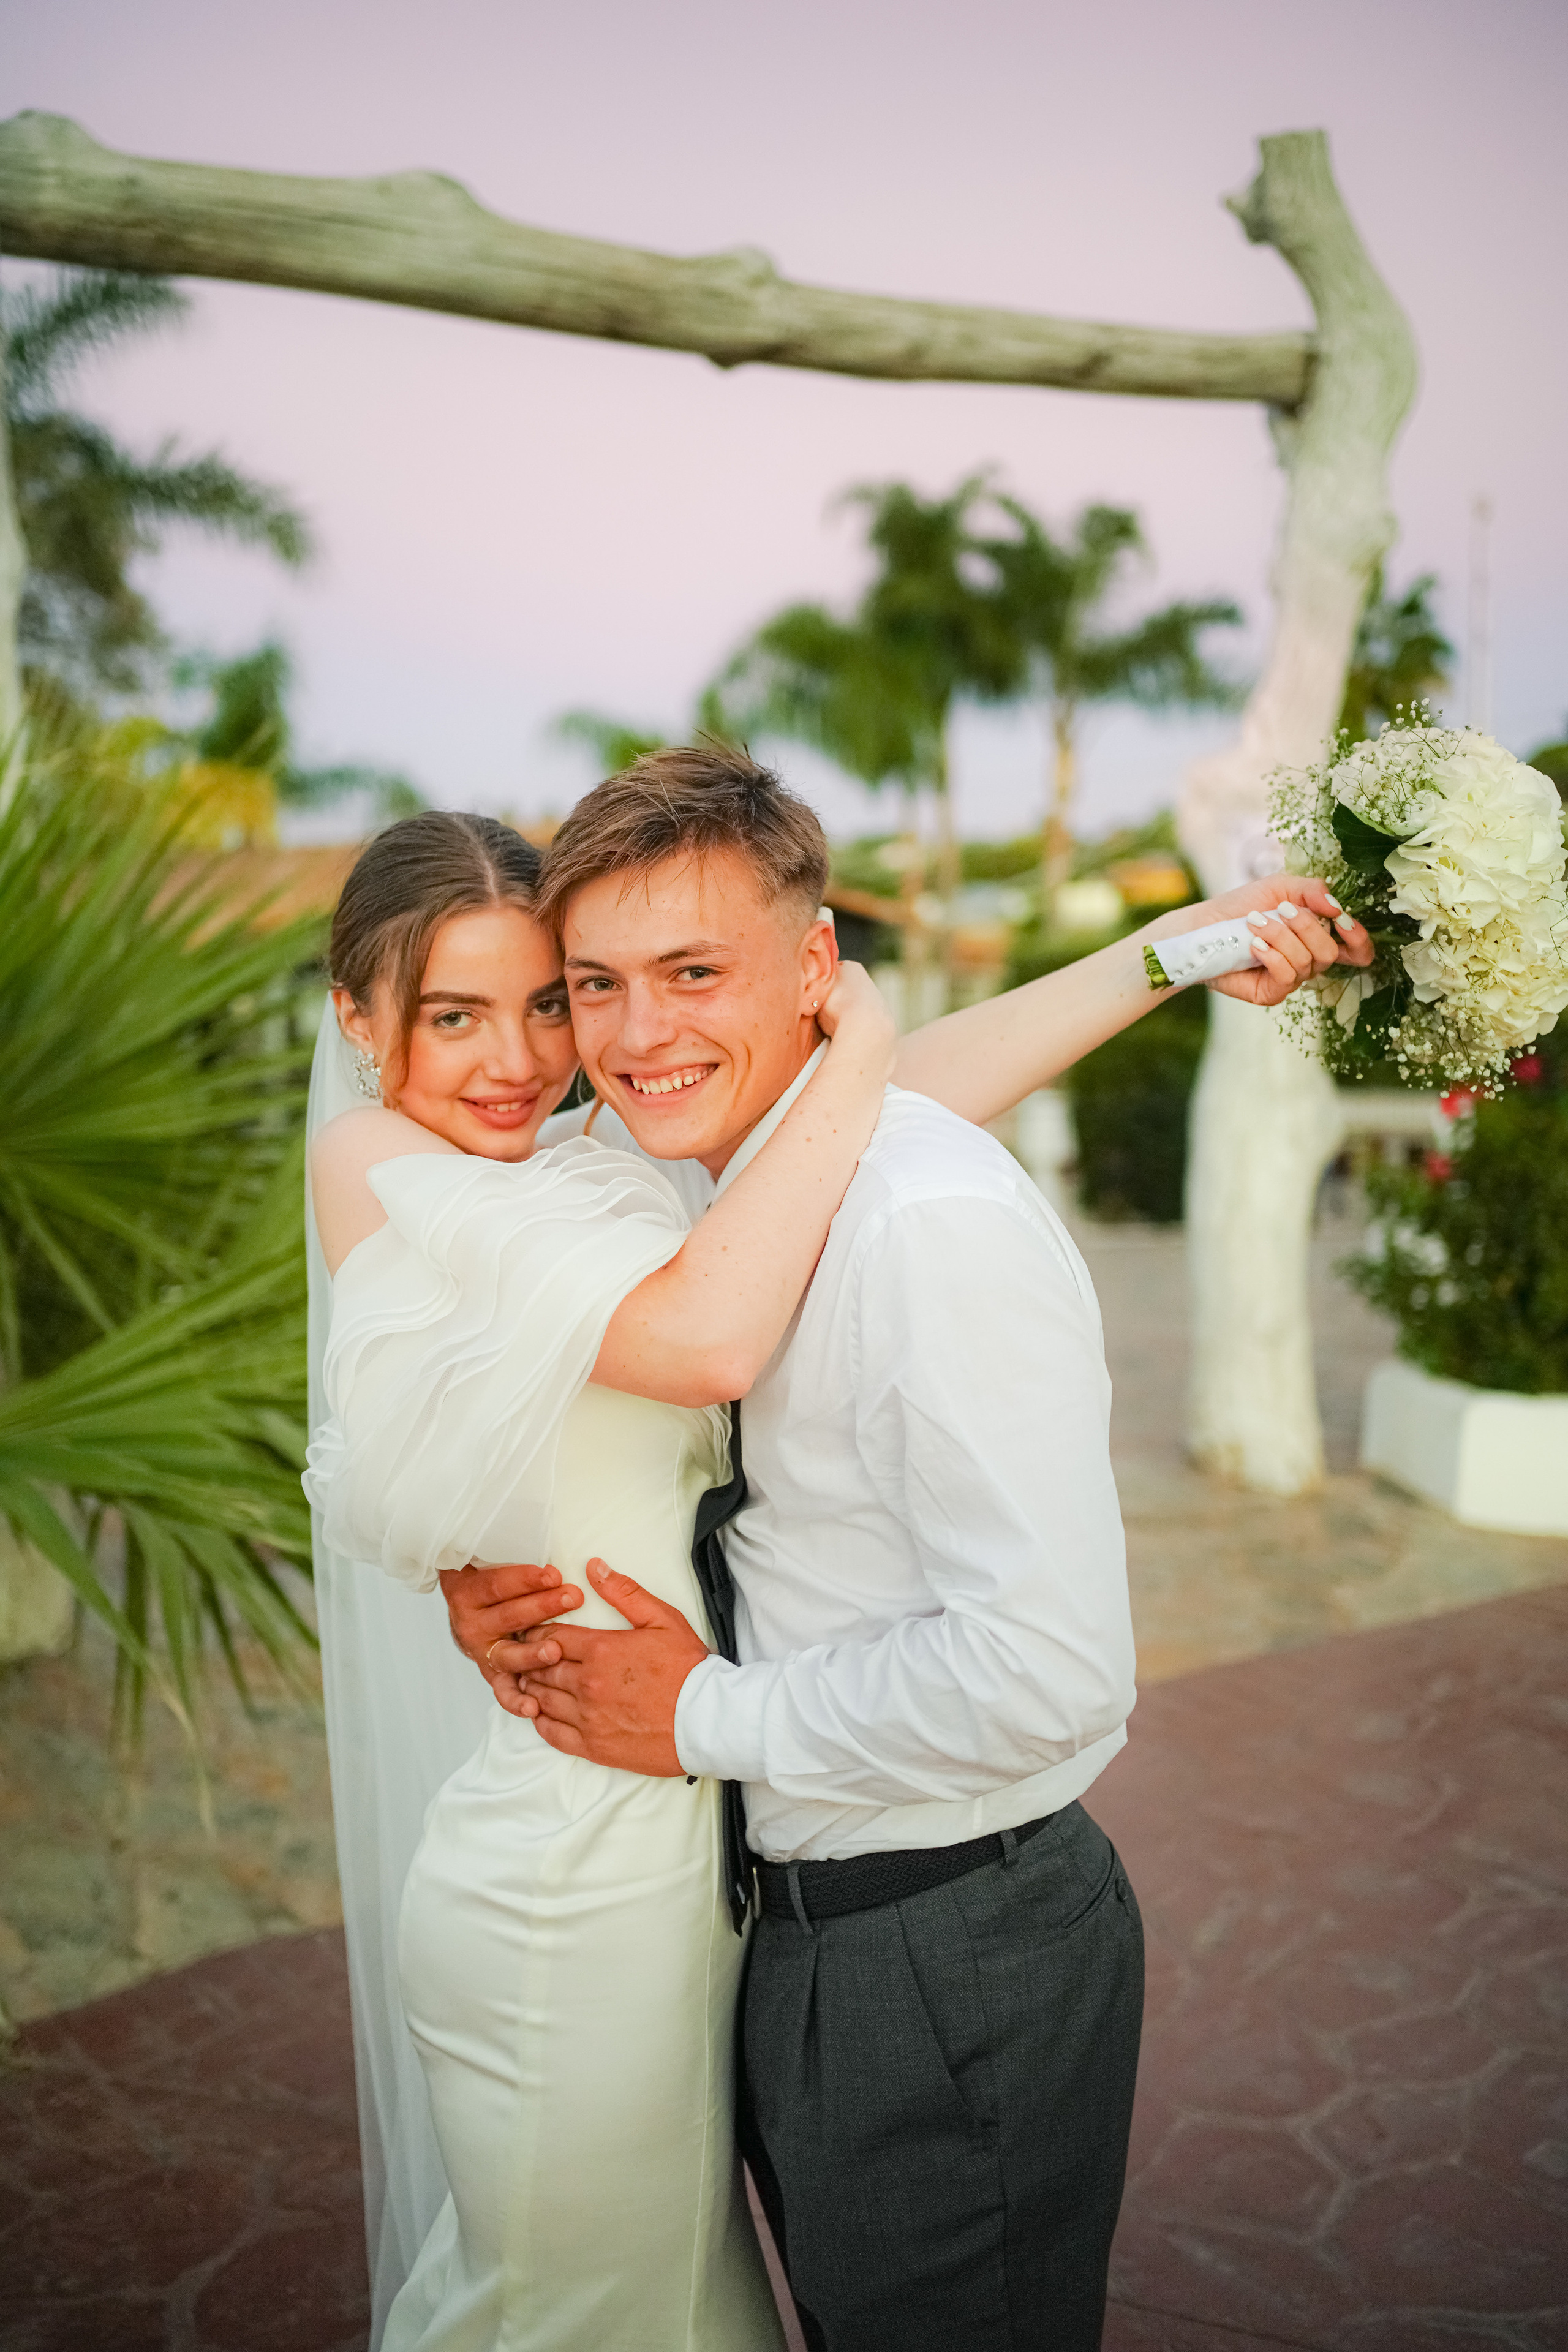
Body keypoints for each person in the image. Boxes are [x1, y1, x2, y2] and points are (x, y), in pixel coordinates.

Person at [441, 747, 1370, 2352]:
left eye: (690, 972)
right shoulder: (736, 1167)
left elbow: (1049, 1669)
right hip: (813, 1932)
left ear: (816, 972)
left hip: (951, 1951)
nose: (638, 1033)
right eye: (597, 984)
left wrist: (696, 1717)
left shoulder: (921, 1222)